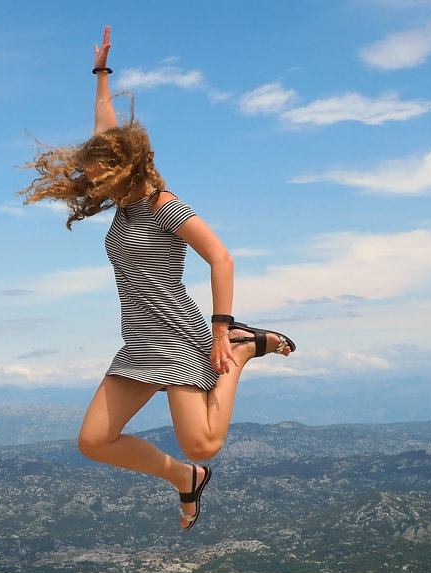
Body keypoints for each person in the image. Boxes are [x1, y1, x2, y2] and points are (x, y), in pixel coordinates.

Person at [20, 26, 296, 531]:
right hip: (139, 343)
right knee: (93, 441)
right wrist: (102, 73)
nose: (91, 180)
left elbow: (223, 258)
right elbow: (106, 129)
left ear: (124, 168)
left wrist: (219, 331)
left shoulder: (165, 207)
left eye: (99, 172)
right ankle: (186, 479)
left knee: (204, 441)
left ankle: (241, 350)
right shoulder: (124, 208)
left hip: (177, 337)